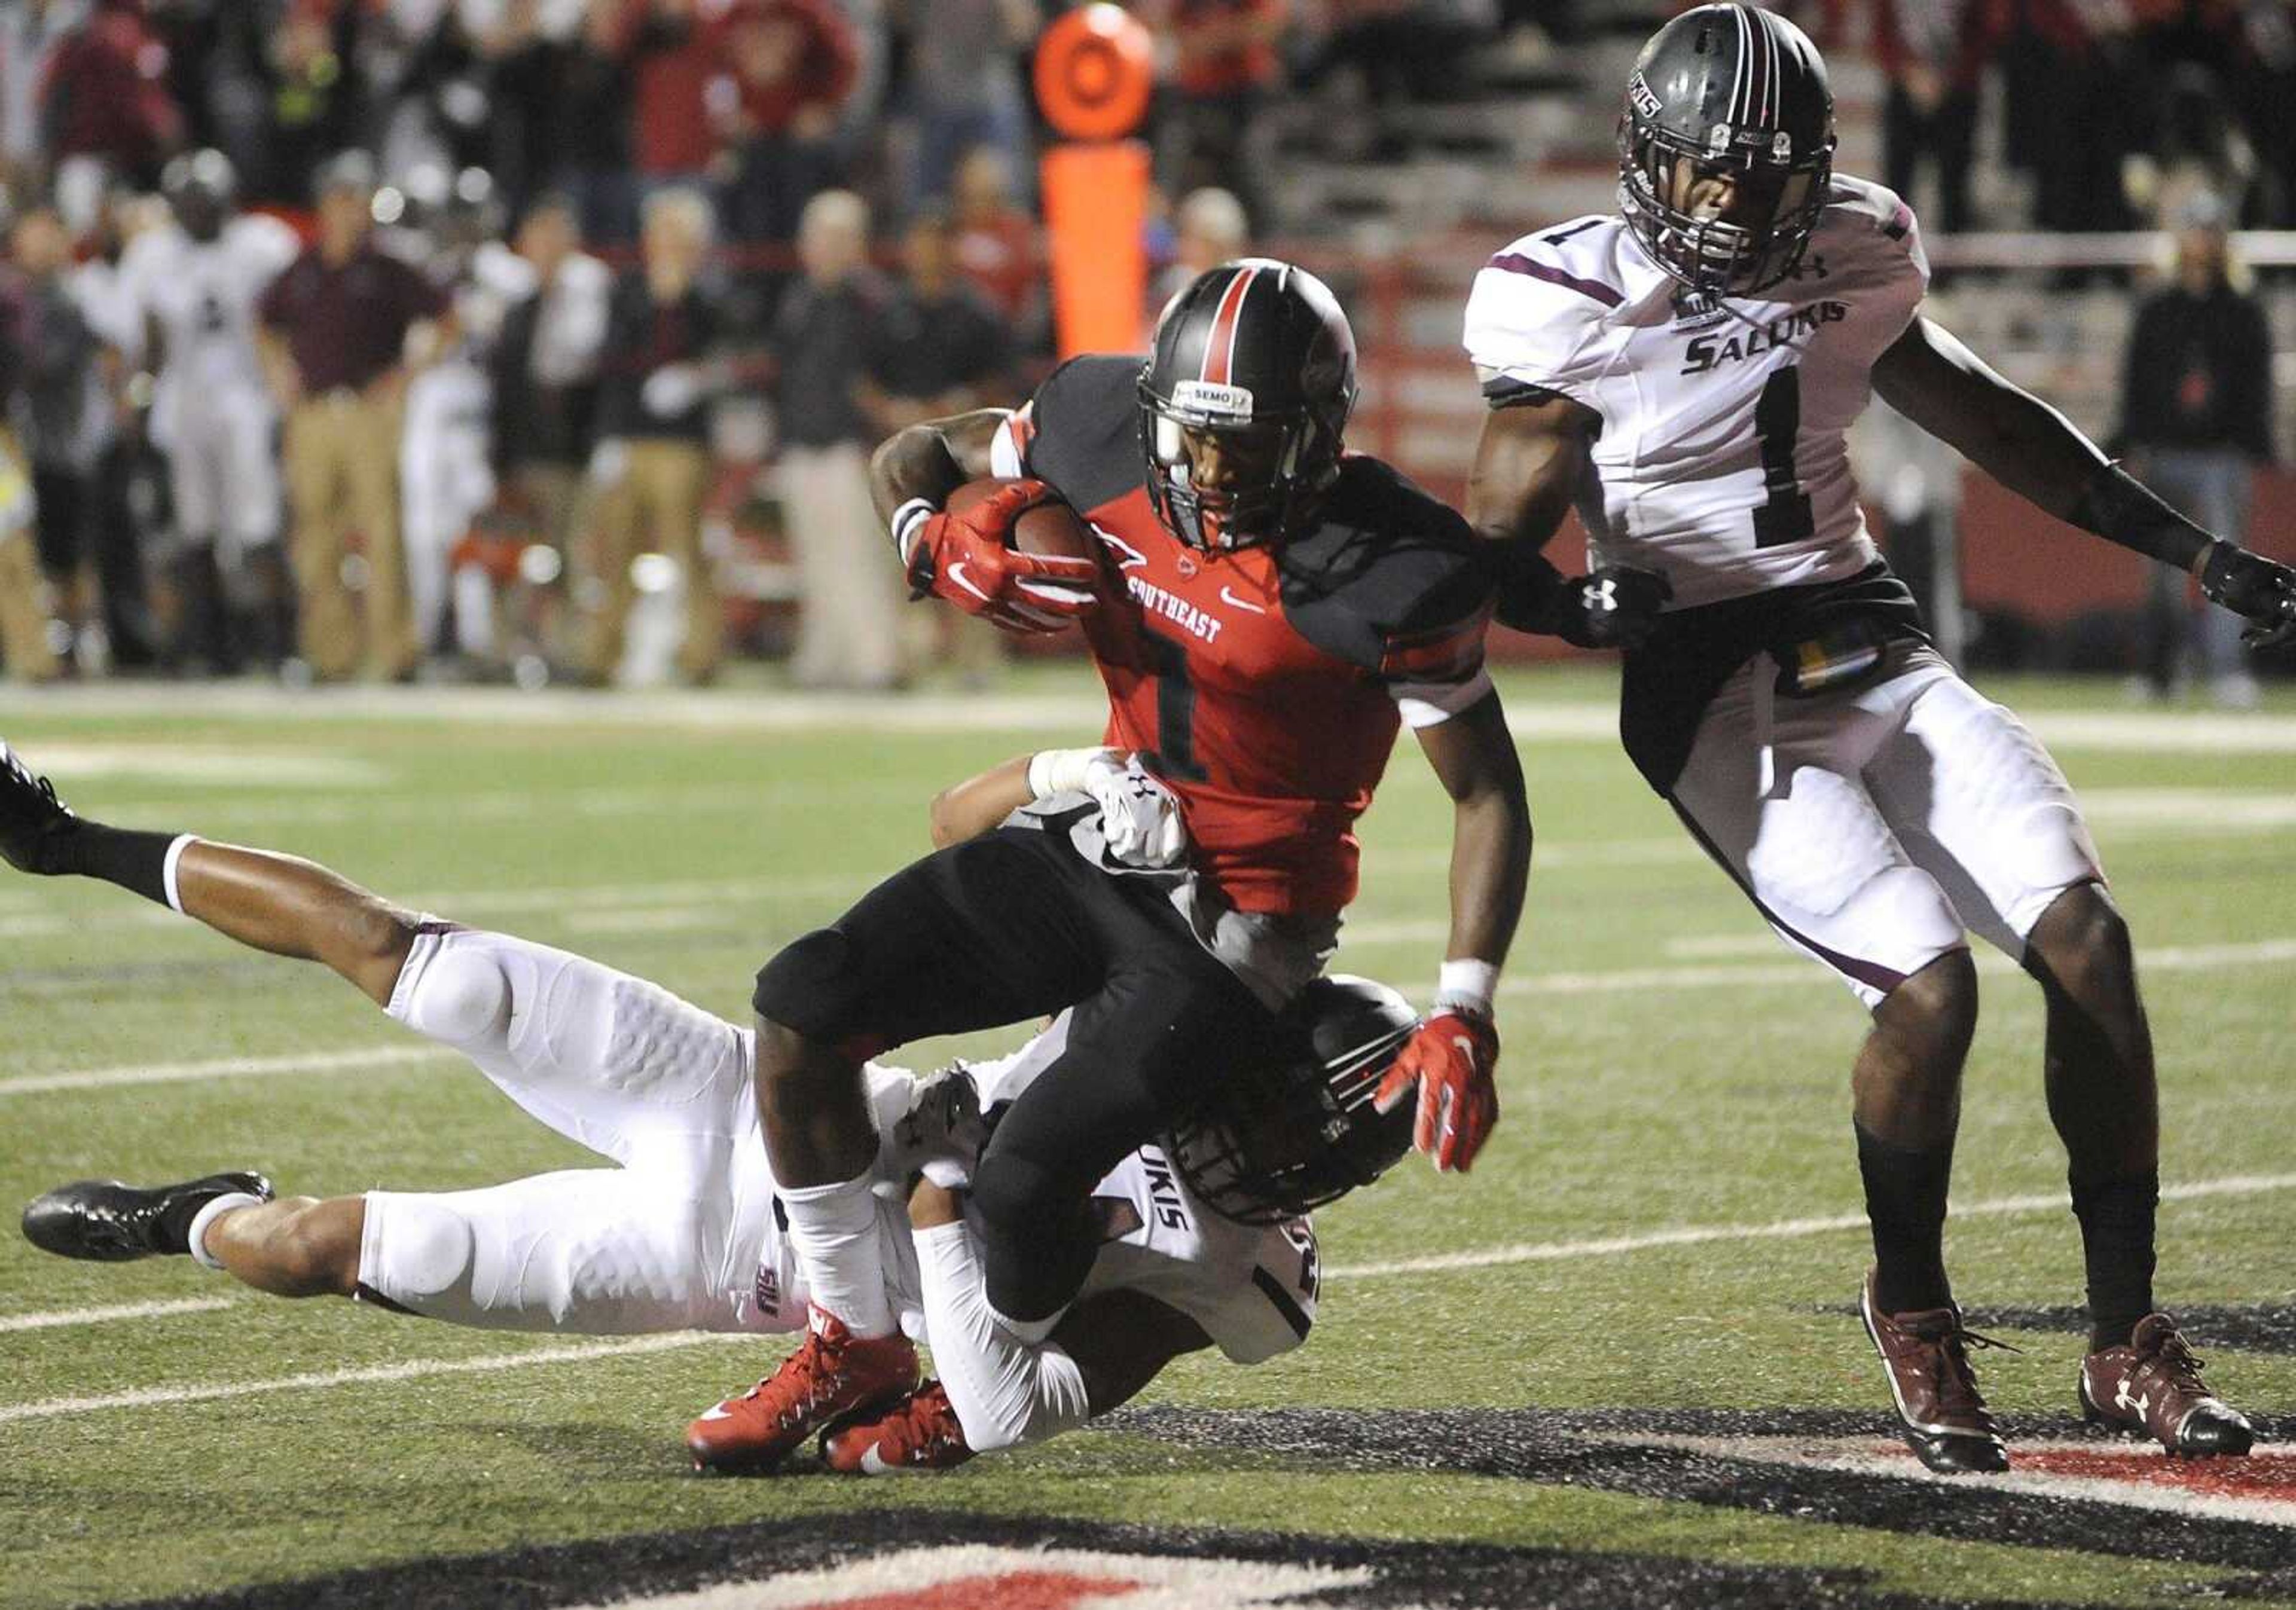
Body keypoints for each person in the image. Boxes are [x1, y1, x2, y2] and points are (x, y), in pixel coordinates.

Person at [1461, 4, 2282, 1475]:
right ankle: (1907, 1299)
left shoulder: (1855, 242)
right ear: (1646, 164)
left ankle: (2120, 1338)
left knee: (2089, 941)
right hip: (1711, 683)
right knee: (1927, 986)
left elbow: (1985, 416)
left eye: (1766, 176)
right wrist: (1558, 600)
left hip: (1865, 632)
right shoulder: (1561, 297)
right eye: (1708, 175)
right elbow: (1497, 516)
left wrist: (2191, 552)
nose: (1736, 204)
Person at [0, 736, 1403, 1477]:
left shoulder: (1243, 1279)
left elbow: (1020, 1397)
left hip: (732, 1263)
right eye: (1263, 1105)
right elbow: (965, 834)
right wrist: (1069, 771)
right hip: (763, 1105)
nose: (1253, 1146)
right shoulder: (1168, 1011)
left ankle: (192, 1216)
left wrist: (936, 1240)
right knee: (418, 958)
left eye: (1290, 1152)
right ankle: (65, 841)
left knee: (316, 1250)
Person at [704, 257, 1532, 1472]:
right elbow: (917, 455)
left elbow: (1488, 790)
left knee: (1025, 1185)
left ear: (1314, 440)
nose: (1206, 476)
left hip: (1236, 924)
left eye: (1242, 452)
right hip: (1103, 829)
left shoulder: (1393, 567)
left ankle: (992, 1367)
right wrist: (925, 539)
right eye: (1188, 442)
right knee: (802, 1000)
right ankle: (855, 1336)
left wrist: (1467, 1003)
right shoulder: (1094, 421)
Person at [258, 151, 457, 683]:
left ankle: (396, 654)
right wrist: (279, 374)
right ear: (324, 206)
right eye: (339, 199)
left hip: (370, 413)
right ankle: (331, 654)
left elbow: (444, 318)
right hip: (315, 413)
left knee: (383, 531)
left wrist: (406, 378)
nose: (348, 211)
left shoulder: (389, 269)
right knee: (315, 536)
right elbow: (264, 324)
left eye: (356, 200)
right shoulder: (301, 270)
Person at [121, 149, 301, 674]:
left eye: (205, 200)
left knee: (257, 524)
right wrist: (139, 398)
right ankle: (209, 643)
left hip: (246, 397)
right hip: (185, 400)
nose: (197, 211)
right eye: (189, 201)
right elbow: (151, 337)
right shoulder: (155, 254)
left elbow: (287, 320)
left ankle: (277, 641)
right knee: (196, 528)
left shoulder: (261, 244)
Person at [2116, 194, 2275, 707]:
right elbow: (2135, 380)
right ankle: (2162, 670)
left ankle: (2228, 669)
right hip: (2164, 451)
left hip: (2220, 454)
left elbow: (2257, 385)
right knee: (2161, 570)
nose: (2202, 242)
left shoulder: (2243, 311)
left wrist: (2254, 445)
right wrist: (2132, 442)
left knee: (2228, 567)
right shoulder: (2157, 309)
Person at [860, 208, 1015, 684]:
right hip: (905, 460)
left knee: (973, 555)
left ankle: (976, 662)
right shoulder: (889, 311)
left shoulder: (976, 312)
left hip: (961, 459)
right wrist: (893, 413)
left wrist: (958, 408)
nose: (925, 254)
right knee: (900, 554)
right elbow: (864, 381)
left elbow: (1001, 384)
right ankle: (902, 660)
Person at [769, 188, 906, 691]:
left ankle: (876, 658)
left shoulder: (873, 302)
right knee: (814, 557)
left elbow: (880, 379)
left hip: (851, 443)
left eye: (836, 237)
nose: (823, 248)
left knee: (859, 556)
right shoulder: (799, 299)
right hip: (803, 438)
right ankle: (825, 656)